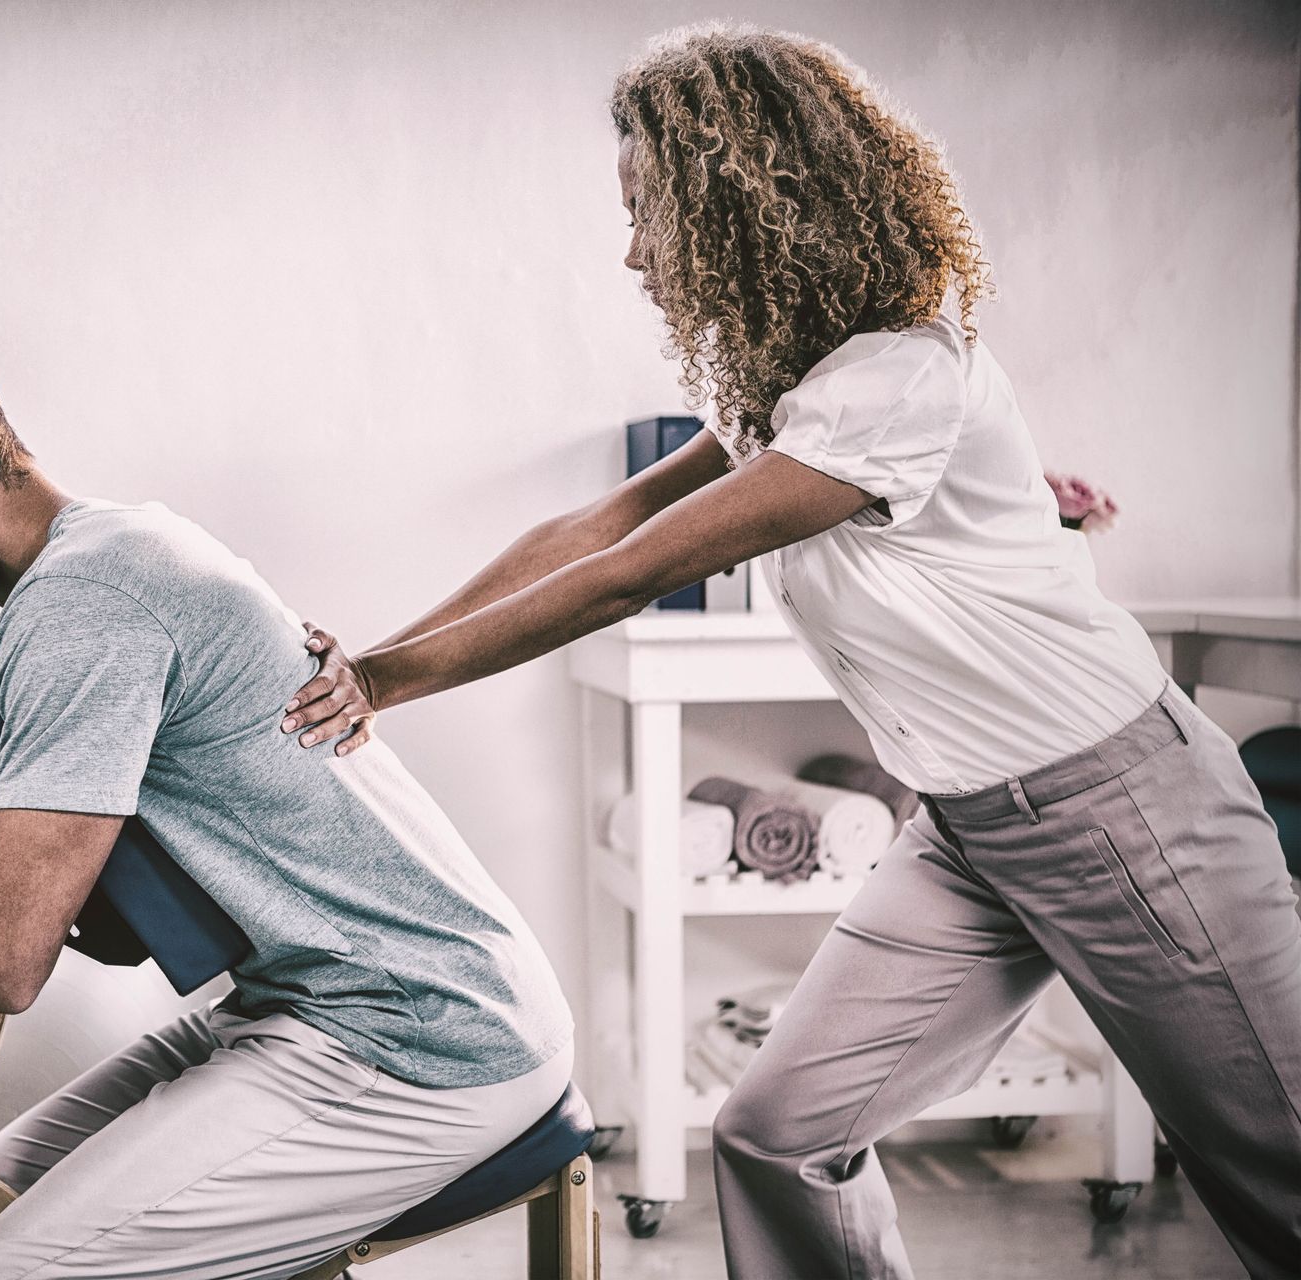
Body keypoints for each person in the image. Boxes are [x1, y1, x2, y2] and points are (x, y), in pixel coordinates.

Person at [279, 23, 1301, 1280]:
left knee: (1277, 1171)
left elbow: (630, 573)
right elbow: (599, 523)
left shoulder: (895, 373)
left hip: (1123, 807)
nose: (635, 249)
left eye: (648, 209)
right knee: (774, 1134)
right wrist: (378, 653)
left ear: (737, 203)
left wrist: (382, 686)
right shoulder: (793, 382)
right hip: (972, 826)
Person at [0, 303, 573, 1280]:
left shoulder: (84, 606)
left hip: (419, 1040)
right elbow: (53, 847)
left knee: (4, 1271)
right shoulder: (113, 545)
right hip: (315, 1001)